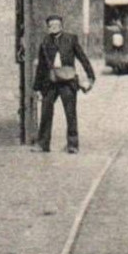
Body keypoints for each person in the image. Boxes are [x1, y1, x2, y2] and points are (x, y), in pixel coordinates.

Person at [33, 14, 95, 154]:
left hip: (67, 81)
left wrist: (91, 76)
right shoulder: (44, 42)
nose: (54, 27)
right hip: (50, 82)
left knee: (70, 113)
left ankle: (72, 145)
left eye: (56, 24)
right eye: (51, 25)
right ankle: (43, 144)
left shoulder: (71, 39)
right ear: (47, 28)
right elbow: (41, 66)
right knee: (46, 111)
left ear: (62, 25)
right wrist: (37, 87)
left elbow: (82, 58)